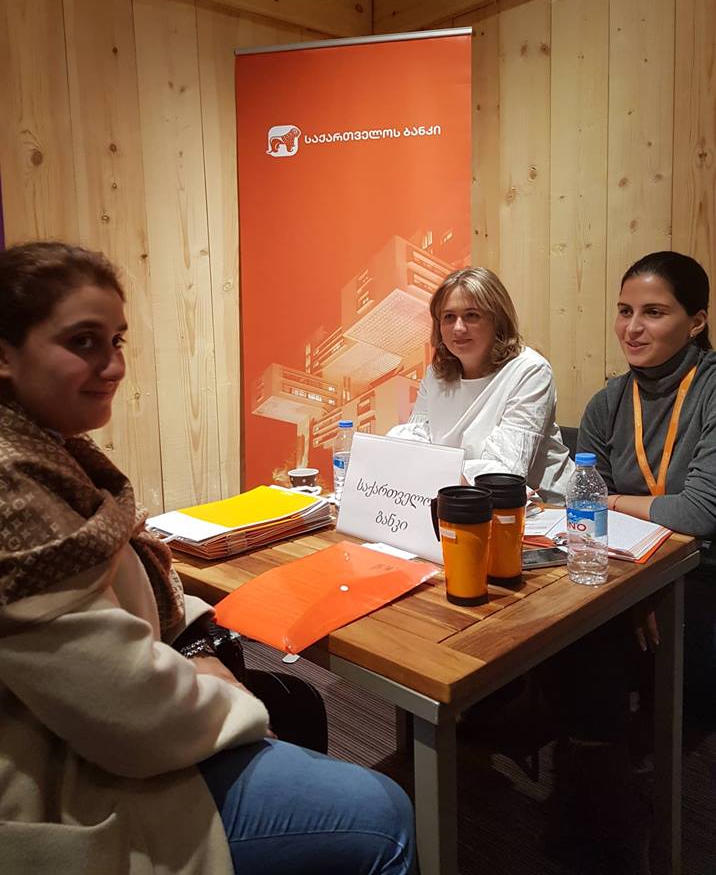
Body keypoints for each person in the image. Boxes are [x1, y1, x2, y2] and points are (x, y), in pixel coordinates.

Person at [0, 242, 415, 875]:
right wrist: (229, 697)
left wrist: (197, 650)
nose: (113, 366)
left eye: (117, 341)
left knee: (297, 703)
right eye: (83, 342)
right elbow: (124, 708)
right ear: (5, 354)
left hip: (105, 718)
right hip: (70, 781)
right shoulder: (13, 487)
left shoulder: (50, 447)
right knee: (383, 814)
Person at [578, 249, 716, 704]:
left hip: (704, 570)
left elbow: (698, 513)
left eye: (653, 312)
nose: (632, 328)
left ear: (696, 322)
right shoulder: (606, 403)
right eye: (625, 311)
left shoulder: (710, 390)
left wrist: (614, 502)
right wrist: (637, 590)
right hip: (630, 565)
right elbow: (586, 511)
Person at [388, 267, 573, 502]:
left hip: (547, 510)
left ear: (498, 320)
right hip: (456, 501)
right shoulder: (435, 374)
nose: (458, 328)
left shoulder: (530, 370)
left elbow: (504, 472)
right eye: (448, 317)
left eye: (472, 315)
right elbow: (413, 442)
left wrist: (429, 470)